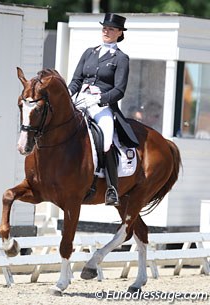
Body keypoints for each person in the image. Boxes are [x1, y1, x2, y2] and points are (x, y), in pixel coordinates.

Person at [68, 13, 139, 206]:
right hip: (81, 100)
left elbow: (119, 90)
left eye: (111, 29)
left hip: (102, 106)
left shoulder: (121, 58)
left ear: (119, 33)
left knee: (107, 140)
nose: (106, 31)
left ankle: (111, 188)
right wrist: (68, 94)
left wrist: (100, 99)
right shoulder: (89, 52)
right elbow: (76, 80)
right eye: (104, 28)